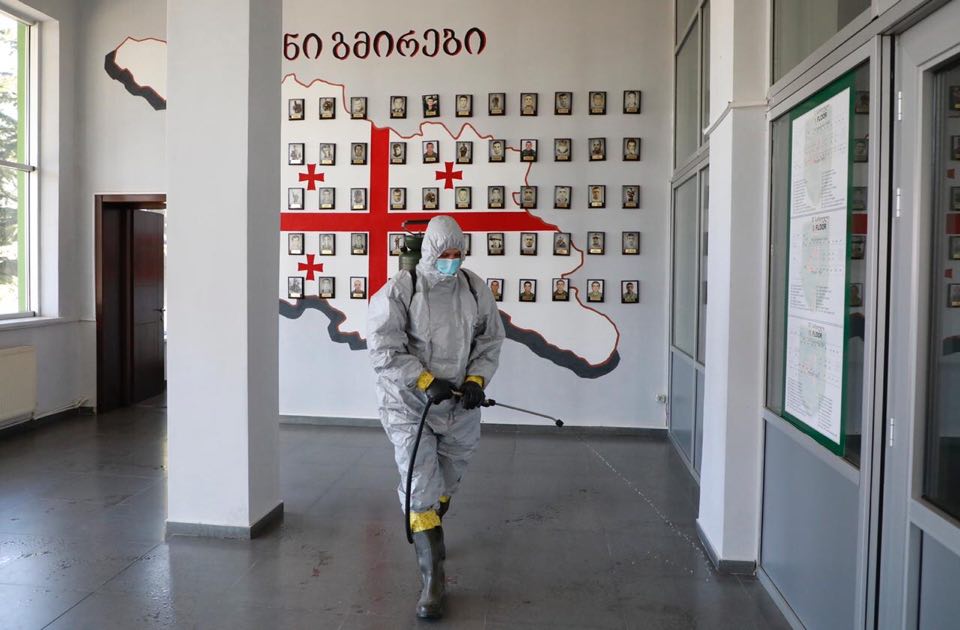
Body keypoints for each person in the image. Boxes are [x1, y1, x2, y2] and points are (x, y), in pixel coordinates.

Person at [368, 216, 505, 620]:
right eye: (445, 253)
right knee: (421, 484)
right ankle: (433, 583)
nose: (452, 259)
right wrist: (425, 380)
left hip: (458, 405)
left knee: (448, 476)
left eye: (458, 253)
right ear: (429, 251)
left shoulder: (474, 288)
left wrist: (477, 379)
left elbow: (490, 339)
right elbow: (383, 348)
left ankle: (428, 521)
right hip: (409, 404)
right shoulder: (401, 289)